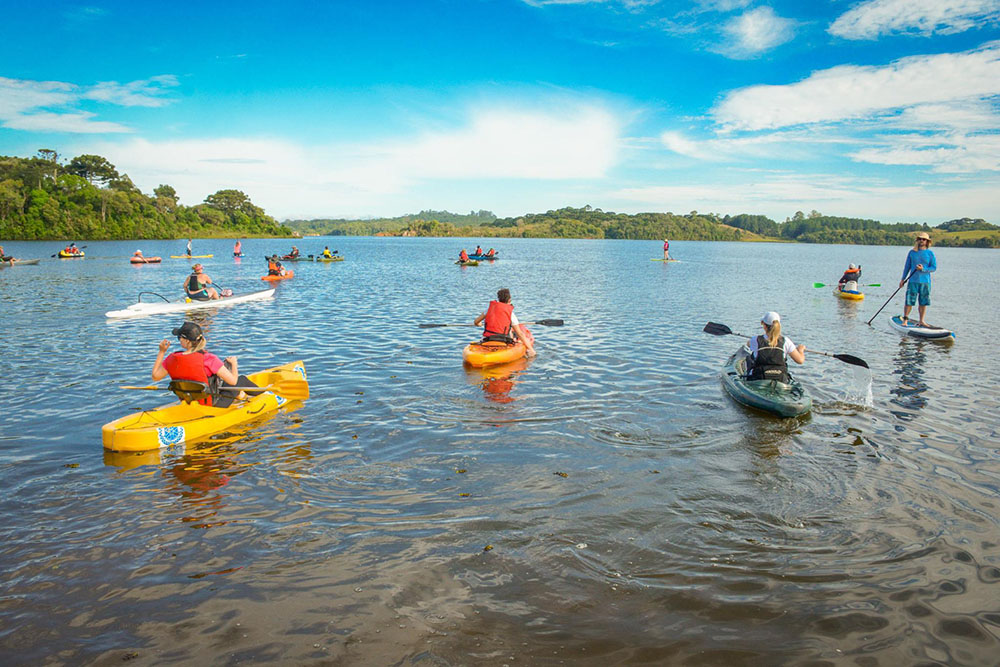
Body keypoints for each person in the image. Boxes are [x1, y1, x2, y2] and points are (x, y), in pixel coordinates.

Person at [152, 321, 256, 408]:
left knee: (221, 383)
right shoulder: (209, 358)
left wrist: (161, 352)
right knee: (241, 379)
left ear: (187, 341)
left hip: (190, 402)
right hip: (213, 405)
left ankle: (239, 394)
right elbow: (233, 381)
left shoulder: (171, 358)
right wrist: (234, 364)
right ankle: (265, 396)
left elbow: (155, 377)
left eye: (179, 337)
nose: (179, 340)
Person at [473, 288, 536, 357]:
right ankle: (514, 340)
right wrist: (530, 349)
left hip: (488, 339)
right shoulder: (511, 314)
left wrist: (479, 324)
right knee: (513, 333)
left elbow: (476, 322)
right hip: (503, 340)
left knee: (511, 331)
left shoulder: (489, 309)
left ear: (499, 299)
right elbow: (520, 333)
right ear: (509, 300)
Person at [746, 311, 805, 382]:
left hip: (760, 377)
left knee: (749, 358)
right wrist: (801, 350)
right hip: (780, 378)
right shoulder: (786, 341)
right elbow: (800, 361)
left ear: (764, 325)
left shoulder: (755, 340)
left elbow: (748, 344)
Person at [899, 231, 936, 327]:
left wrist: (923, 269)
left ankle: (921, 321)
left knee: (923, 302)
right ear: (917, 241)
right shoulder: (912, 253)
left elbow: (933, 267)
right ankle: (905, 320)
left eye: (923, 239)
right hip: (913, 281)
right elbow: (907, 267)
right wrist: (903, 279)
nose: (921, 241)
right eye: (920, 239)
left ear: (927, 242)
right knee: (909, 301)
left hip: (925, 282)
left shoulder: (930, 253)